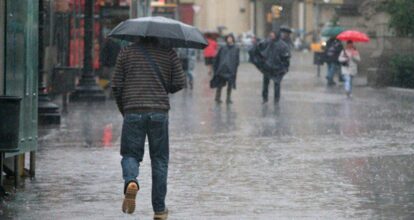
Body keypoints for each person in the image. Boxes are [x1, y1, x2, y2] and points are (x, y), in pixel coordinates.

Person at [111, 36, 185, 220]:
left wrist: (125, 108)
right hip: (159, 112)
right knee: (159, 159)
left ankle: (131, 181)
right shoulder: (169, 52)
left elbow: (116, 85)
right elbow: (179, 83)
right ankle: (159, 210)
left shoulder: (126, 52)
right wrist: (162, 86)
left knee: (130, 154)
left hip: (133, 110)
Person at [261, 30, 291, 104]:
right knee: (265, 84)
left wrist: (284, 66)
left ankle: (276, 99)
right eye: (270, 35)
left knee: (277, 84)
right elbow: (262, 51)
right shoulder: (268, 42)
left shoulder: (282, 45)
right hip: (267, 67)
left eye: (272, 35)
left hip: (277, 68)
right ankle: (265, 98)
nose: (271, 36)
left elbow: (286, 56)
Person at [210, 34, 240, 104]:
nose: (229, 39)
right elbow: (217, 57)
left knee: (230, 85)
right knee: (220, 84)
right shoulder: (223, 48)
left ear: (233, 39)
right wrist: (217, 66)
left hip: (231, 69)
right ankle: (217, 98)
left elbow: (237, 59)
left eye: (230, 38)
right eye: (228, 38)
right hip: (222, 69)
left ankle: (228, 98)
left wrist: (235, 67)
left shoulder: (236, 48)